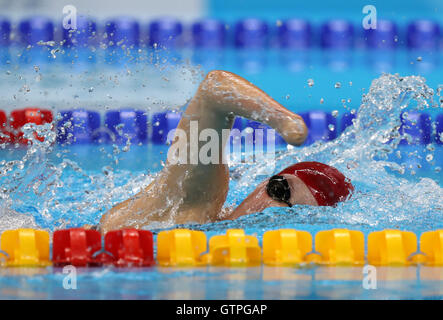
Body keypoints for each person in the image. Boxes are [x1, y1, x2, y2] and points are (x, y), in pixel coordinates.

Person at [95, 70, 353, 233]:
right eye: (278, 189)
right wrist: (286, 121)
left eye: (288, 209)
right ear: (263, 183)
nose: (271, 205)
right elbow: (214, 89)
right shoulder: (195, 201)